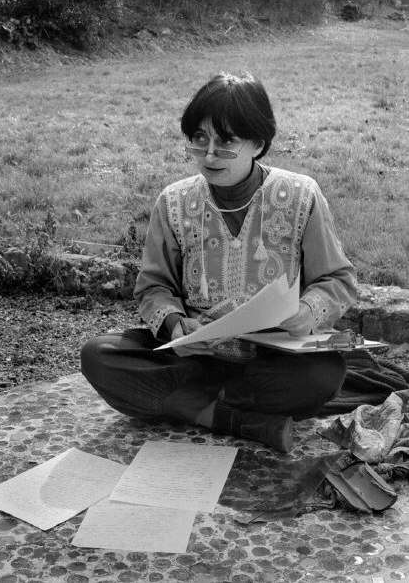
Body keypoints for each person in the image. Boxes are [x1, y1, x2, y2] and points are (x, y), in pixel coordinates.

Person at [81, 72, 357, 453]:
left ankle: (192, 405)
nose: (209, 155)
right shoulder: (173, 202)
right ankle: (228, 415)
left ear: (258, 143)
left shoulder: (301, 196)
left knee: (325, 374)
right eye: (199, 139)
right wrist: (176, 325)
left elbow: (337, 279)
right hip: (195, 356)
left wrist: (309, 312)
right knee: (99, 356)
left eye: (225, 141)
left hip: (272, 359)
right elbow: (154, 286)